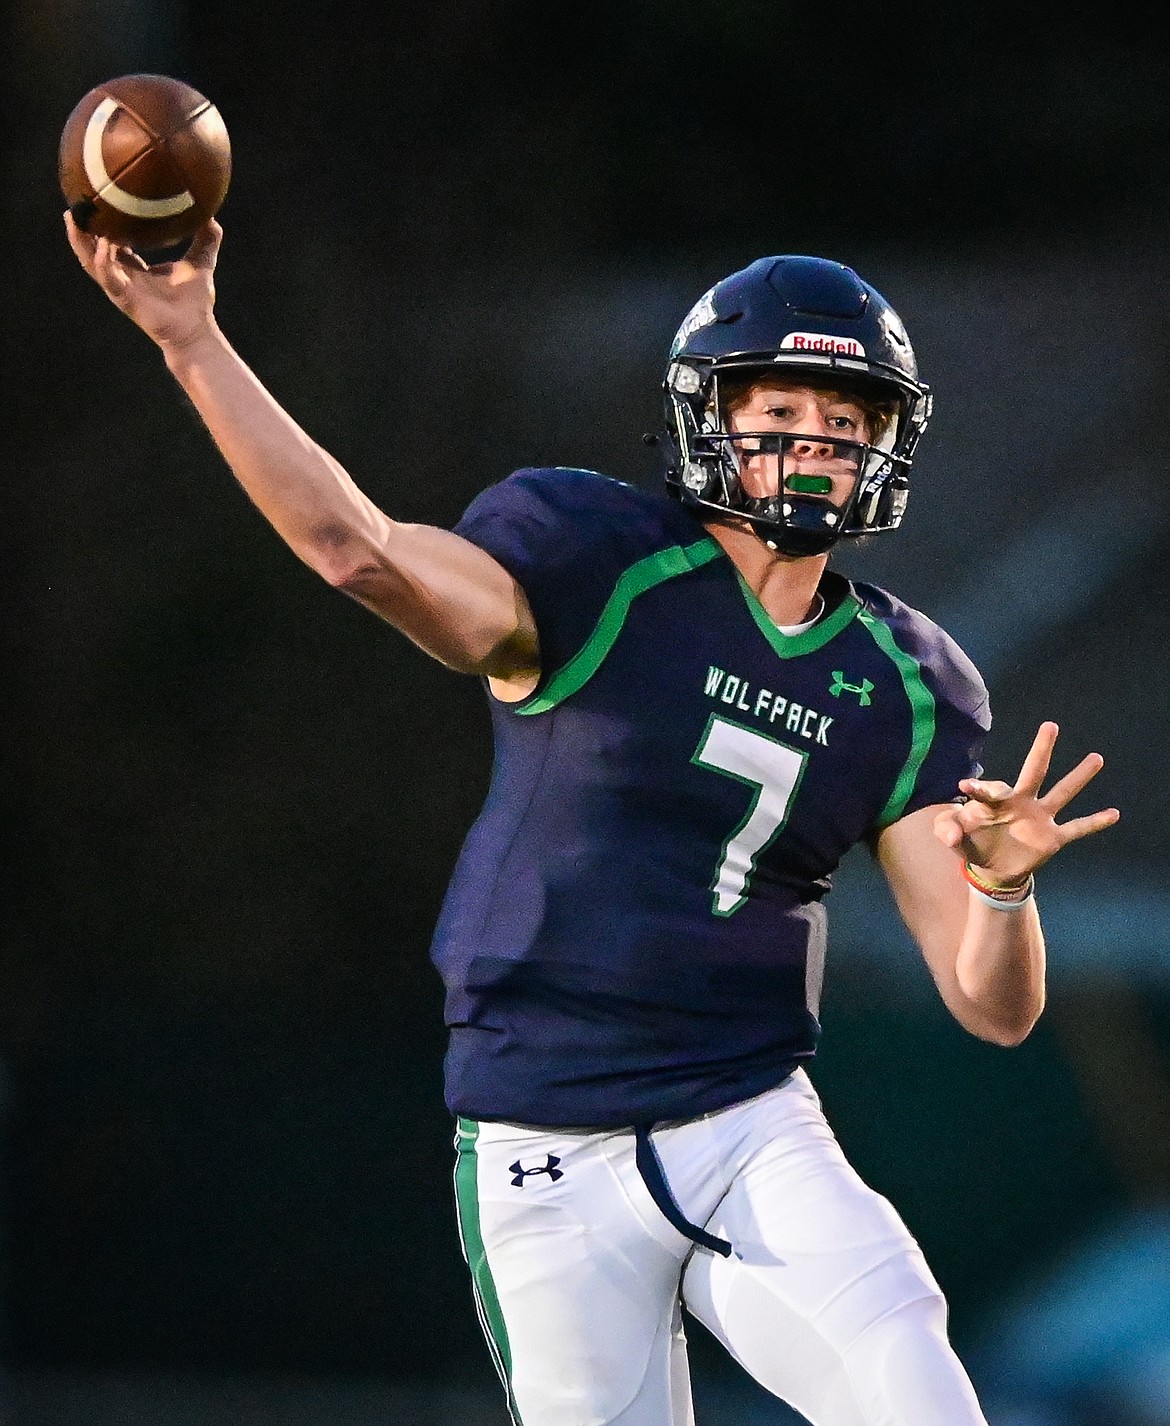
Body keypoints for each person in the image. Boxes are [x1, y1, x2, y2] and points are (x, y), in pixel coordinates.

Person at [66, 217, 1119, 1426]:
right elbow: (356, 553)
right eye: (783, 412)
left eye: (849, 418)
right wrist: (193, 341)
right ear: (711, 416)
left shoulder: (906, 678)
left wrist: (1003, 889)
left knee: (919, 1396)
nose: (819, 443)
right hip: (542, 1139)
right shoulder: (595, 557)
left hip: (749, 1123)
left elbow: (995, 1004)